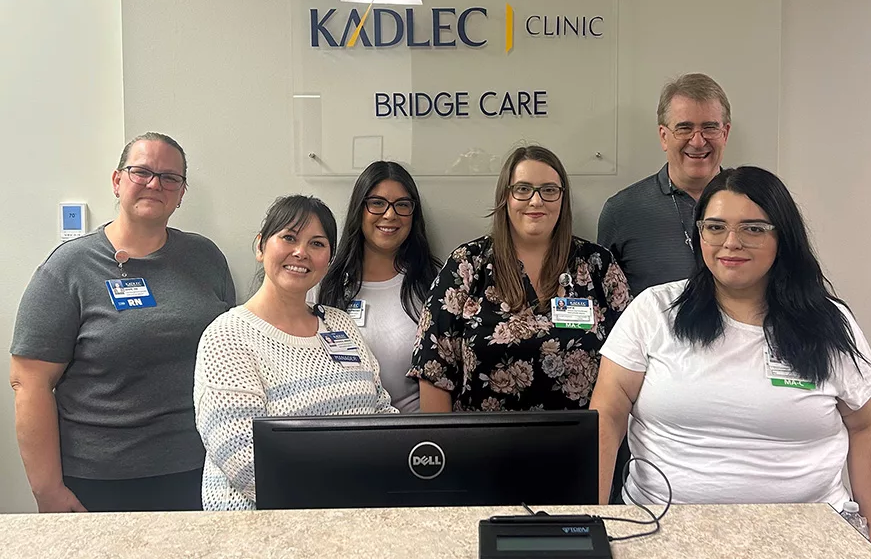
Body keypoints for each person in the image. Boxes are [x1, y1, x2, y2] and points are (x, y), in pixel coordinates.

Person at [590, 166, 871, 551]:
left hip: (807, 534)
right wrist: (588, 519)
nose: (731, 242)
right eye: (714, 227)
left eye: (753, 228)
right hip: (663, 529)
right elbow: (608, 415)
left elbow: (865, 428)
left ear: (783, 236)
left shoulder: (829, 321)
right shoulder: (654, 311)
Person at [9, 132, 235, 512]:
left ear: (181, 194)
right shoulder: (69, 268)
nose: (154, 184)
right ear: (117, 181)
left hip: (200, 472)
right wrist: (47, 490)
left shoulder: (205, 257)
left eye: (169, 178)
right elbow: (28, 380)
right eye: (141, 172)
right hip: (100, 481)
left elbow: (229, 352)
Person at [194, 195, 397, 511]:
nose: (301, 252)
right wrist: (349, 499)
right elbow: (247, 464)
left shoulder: (339, 323)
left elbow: (381, 412)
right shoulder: (227, 337)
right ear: (261, 247)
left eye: (317, 244)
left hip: (354, 515)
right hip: (262, 531)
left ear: (328, 258)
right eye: (289, 237)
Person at [408, 145, 631, 412]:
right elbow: (434, 369)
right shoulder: (467, 266)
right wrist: (440, 448)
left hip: (580, 446)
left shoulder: (597, 265)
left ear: (563, 198)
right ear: (506, 197)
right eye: (523, 189)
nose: (536, 201)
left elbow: (630, 362)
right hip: (480, 447)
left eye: (549, 190)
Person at [317, 161, 440, 412]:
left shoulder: (433, 283)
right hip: (343, 438)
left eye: (402, 205)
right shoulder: (324, 283)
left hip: (412, 442)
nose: (390, 214)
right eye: (377, 203)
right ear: (359, 209)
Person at [597, 73, 732, 296]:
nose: (698, 141)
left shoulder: (756, 206)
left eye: (709, 127)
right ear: (663, 136)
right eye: (684, 128)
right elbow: (607, 303)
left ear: (725, 133)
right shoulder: (622, 212)